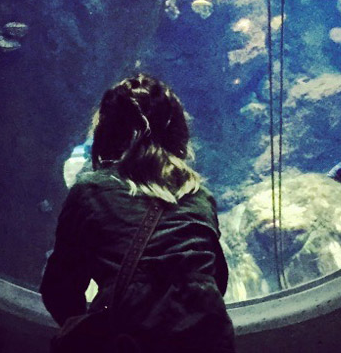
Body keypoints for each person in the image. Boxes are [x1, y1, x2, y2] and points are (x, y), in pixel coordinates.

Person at [40, 73, 236, 352]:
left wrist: (94, 329)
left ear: (105, 131)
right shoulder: (200, 196)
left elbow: (59, 290)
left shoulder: (91, 190)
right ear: (178, 132)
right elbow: (216, 281)